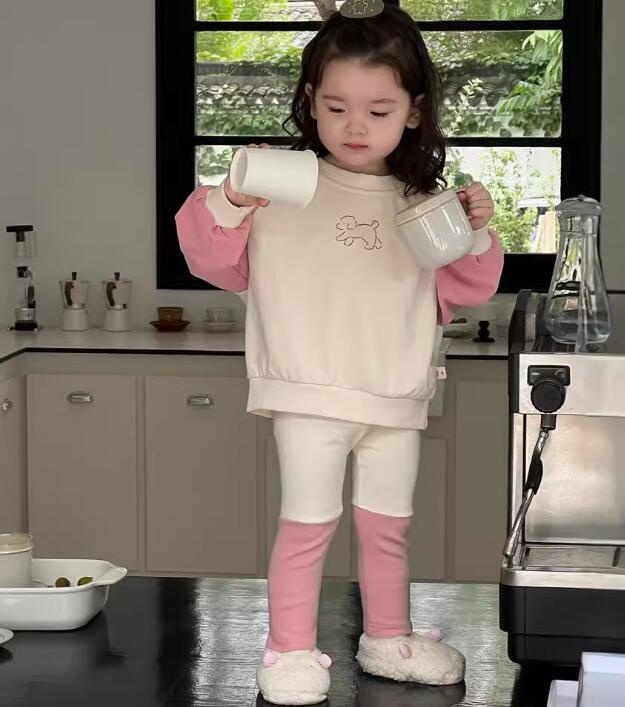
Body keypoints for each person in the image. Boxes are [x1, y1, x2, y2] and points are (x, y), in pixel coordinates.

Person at [176, 2, 503, 704]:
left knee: (388, 528)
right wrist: (232, 195)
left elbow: (464, 290)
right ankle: (289, 647)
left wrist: (475, 230)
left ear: (413, 113)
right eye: (335, 107)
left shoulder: (420, 201)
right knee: (307, 524)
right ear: (310, 102)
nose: (356, 126)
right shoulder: (280, 188)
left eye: (378, 110)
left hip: (396, 392)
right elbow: (209, 257)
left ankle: (388, 637)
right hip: (308, 391)